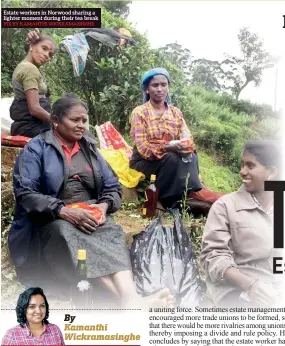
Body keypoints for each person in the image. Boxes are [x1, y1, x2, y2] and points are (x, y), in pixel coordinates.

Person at [9, 94, 172, 308]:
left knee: (111, 231)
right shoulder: (36, 148)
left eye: (84, 121)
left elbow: (112, 186)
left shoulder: (91, 150)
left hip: (88, 213)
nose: (81, 126)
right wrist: (63, 211)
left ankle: (130, 298)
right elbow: (25, 192)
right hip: (50, 219)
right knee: (67, 233)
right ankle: (129, 302)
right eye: (75, 120)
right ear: (56, 120)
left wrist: (103, 206)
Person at [200, 140, 283, 307]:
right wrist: (250, 285)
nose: (242, 171)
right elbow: (213, 256)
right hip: (238, 293)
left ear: (271, 173)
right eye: (243, 165)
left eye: (250, 166)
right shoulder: (225, 206)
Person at [130, 67, 202, 209]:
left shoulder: (176, 113)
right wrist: (168, 147)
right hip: (144, 161)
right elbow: (144, 149)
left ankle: (186, 194)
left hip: (170, 156)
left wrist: (186, 146)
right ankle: (162, 199)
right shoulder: (140, 112)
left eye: (164, 85)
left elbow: (186, 135)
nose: (159, 89)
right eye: (155, 85)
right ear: (147, 89)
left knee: (192, 157)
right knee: (172, 159)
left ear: (168, 87)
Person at [10, 29, 56, 138]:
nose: (46, 55)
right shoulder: (29, 68)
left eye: (50, 54)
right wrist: (57, 123)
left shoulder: (27, 66)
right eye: (44, 48)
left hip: (29, 125)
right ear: (32, 46)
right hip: (31, 126)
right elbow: (34, 109)